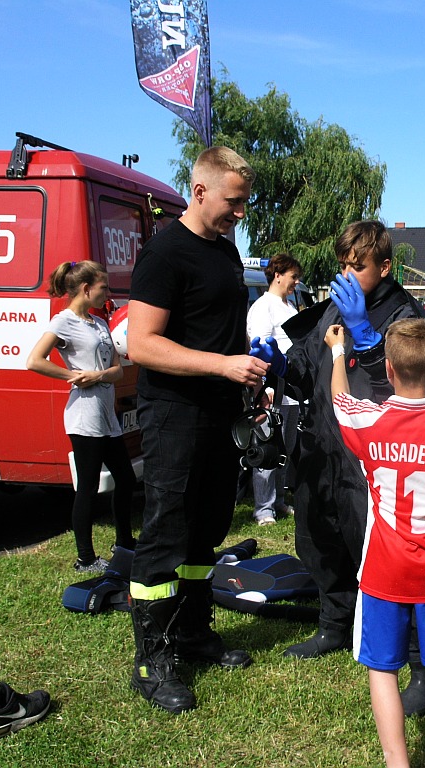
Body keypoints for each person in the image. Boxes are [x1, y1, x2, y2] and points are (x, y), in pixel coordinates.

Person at [260, 221, 425, 718]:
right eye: (343, 264)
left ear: (384, 267)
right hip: (323, 444)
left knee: (394, 563)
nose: (347, 274)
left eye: (358, 265)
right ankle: (334, 621)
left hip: (376, 459)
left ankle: (416, 663)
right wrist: (281, 368)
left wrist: (368, 338)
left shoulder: (407, 315)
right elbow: (308, 373)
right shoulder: (330, 306)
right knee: (319, 534)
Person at [125, 146, 270, 715]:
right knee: (166, 533)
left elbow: (220, 331)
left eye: (244, 203)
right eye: (234, 202)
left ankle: (191, 632)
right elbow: (141, 344)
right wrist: (222, 365)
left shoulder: (228, 252)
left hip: (221, 411)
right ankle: (152, 658)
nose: (240, 213)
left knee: (206, 529)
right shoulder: (164, 252)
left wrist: (245, 382)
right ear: (201, 189)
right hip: (174, 414)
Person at [326, 318, 425, 768]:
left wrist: (339, 350)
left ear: (388, 369)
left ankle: (398, 763)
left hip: (382, 570)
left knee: (382, 668)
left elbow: (340, 401)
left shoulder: (369, 421)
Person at [26, 260, 136, 573]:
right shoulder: (63, 322)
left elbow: (116, 371)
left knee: (125, 479)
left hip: (106, 416)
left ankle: (124, 541)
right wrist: (72, 375)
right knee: (87, 486)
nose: (108, 293)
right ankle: (85, 558)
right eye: (104, 287)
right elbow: (34, 360)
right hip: (84, 416)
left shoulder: (100, 323)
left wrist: (100, 375)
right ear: (87, 290)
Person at [246, 252, 303, 526]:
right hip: (272, 389)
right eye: (293, 277)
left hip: (292, 389)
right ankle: (263, 508)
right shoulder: (263, 307)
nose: (296, 282)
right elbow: (259, 350)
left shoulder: (290, 307)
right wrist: (263, 390)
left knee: (286, 447)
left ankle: (278, 500)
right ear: (278, 274)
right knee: (268, 447)